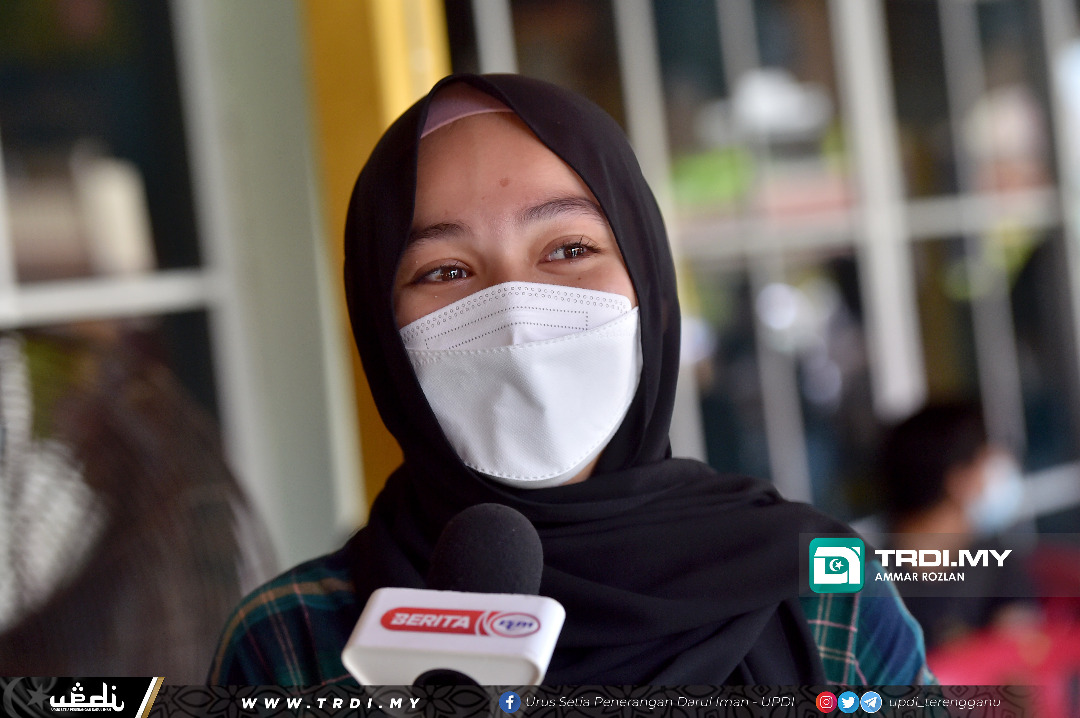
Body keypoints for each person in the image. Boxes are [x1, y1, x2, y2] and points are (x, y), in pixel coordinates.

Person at [208, 74, 930, 685]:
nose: (515, 314)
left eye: (569, 249)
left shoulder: (824, 595)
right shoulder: (292, 643)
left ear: (648, 281)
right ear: (379, 328)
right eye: (446, 271)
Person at [878, 401, 1035, 652]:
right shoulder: (874, 587)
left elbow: (1021, 650)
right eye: (985, 463)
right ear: (958, 480)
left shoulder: (996, 563)